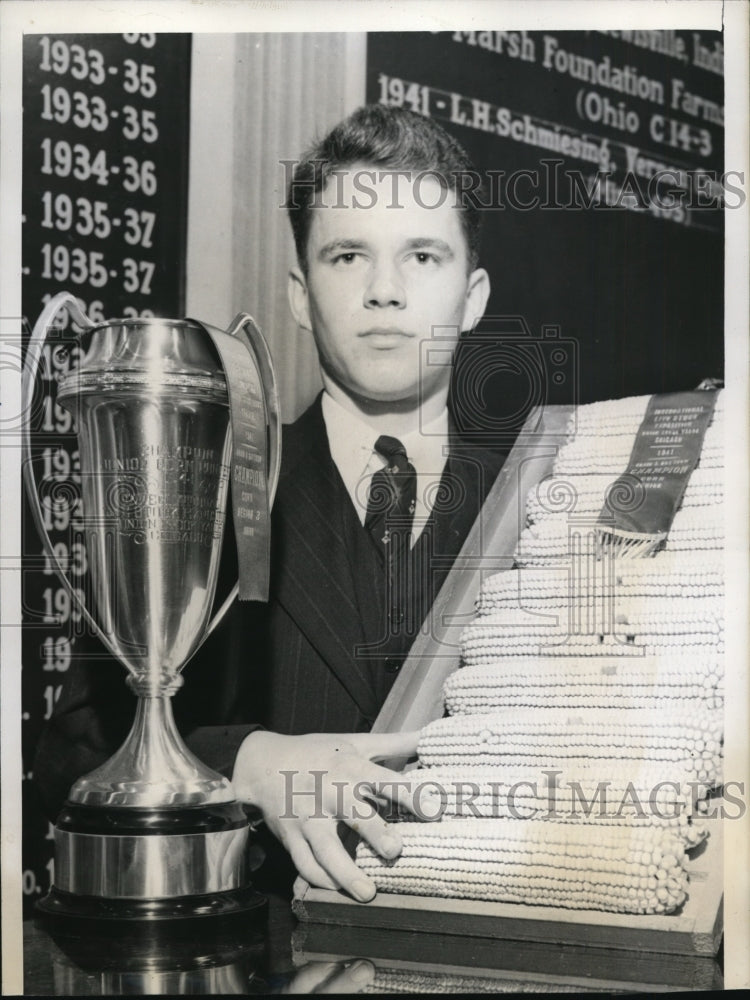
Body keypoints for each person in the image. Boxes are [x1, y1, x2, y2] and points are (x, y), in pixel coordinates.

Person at [34, 104, 506, 904]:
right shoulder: (210, 491)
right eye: (348, 255)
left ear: (472, 295)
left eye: (423, 256)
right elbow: (73, 749)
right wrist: (250, 761)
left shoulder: (543, 504)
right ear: (297, 292)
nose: (384, 292)